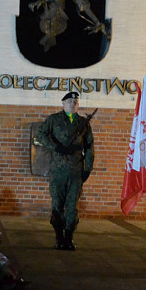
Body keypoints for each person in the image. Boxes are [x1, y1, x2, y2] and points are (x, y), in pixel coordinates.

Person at [35, 91, 94, 250]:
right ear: (63, 103)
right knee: (57, 205)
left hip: (75, 171)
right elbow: (40, 134)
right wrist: (56, 147)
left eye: (75, 101)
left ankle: (69, 238)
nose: (73, 103)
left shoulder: (83, 123)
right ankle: (58, 238)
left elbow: (89, 148)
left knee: (72, 206)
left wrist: (87, 169)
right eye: (69, 101)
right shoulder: (54, 120)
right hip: (58, 171)